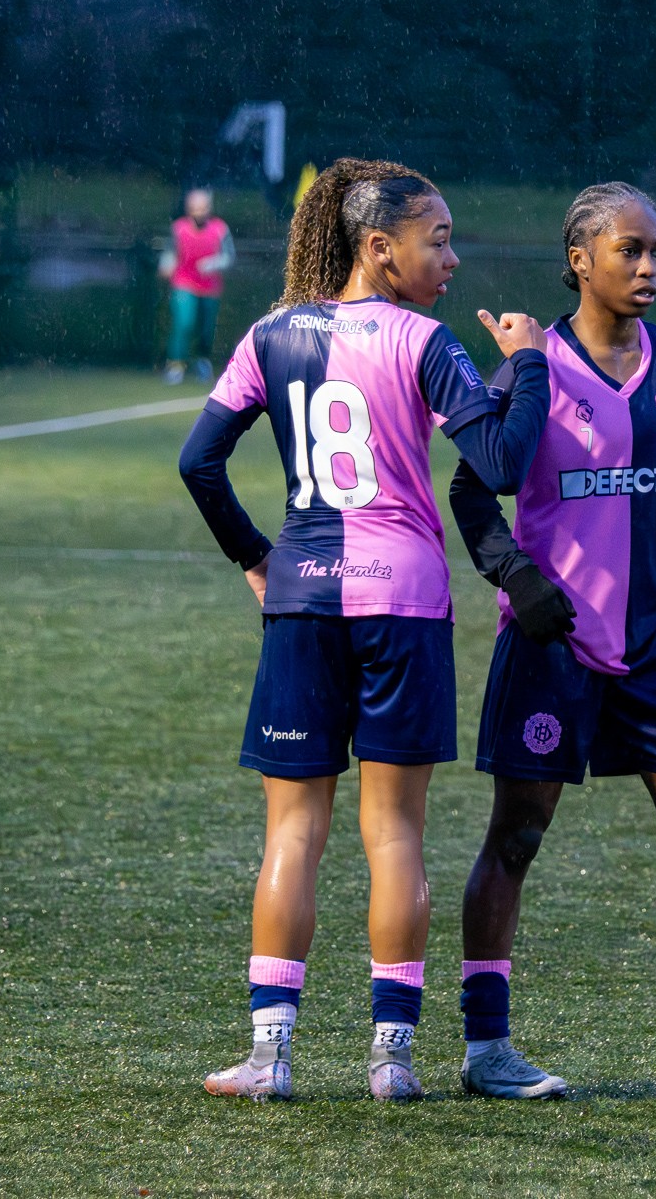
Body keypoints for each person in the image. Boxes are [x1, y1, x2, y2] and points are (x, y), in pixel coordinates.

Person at [178, 157, 553, 1103]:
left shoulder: (269, 336)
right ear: (380, 249)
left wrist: (257, 560)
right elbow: (502, 460)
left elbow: (199, 462)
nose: (453, 259)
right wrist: (532, 362)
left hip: (304, 596)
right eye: (439, 240)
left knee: (293, 835)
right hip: (404, 602)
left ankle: (269, 1057)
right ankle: (391, 1059)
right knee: (395, 837)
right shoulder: (426, 342)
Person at [446, 182, 656, 1101]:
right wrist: (517, 578)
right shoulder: (535, 366)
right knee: (516, 837)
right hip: (549, 642)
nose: (648, 268)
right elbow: (474, 489)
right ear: (579, 260)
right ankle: (486, 1050)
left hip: (649, 644)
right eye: (629, 250)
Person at [159, 187, 234, 385]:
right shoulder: (179, 228)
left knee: (207, 328)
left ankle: (202, 360)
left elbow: (229, 256)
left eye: (203, 207)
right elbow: (170, 252)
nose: (199, 212)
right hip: (184, 283)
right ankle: (176, 364)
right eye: (195, 207)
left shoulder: (220, 228)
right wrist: (166, 265)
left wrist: (212, 263)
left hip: (210, 286)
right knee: (184, 322)